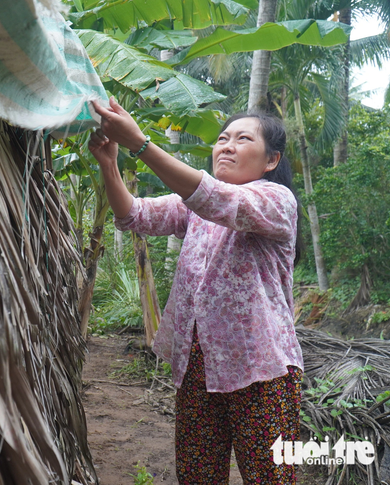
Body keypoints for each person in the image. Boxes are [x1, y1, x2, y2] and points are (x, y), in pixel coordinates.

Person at [88, 98, 304, 484]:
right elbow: (133, 215)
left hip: (261, 368)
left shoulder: (276, 200)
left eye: (242, 138)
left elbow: (218, 200)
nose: (227, 145)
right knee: (198, 475)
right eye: (222, 138)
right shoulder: (193, 208)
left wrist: (141, 144)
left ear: (271, 161)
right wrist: (110, 165)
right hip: (198, 367)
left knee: (270, 477)